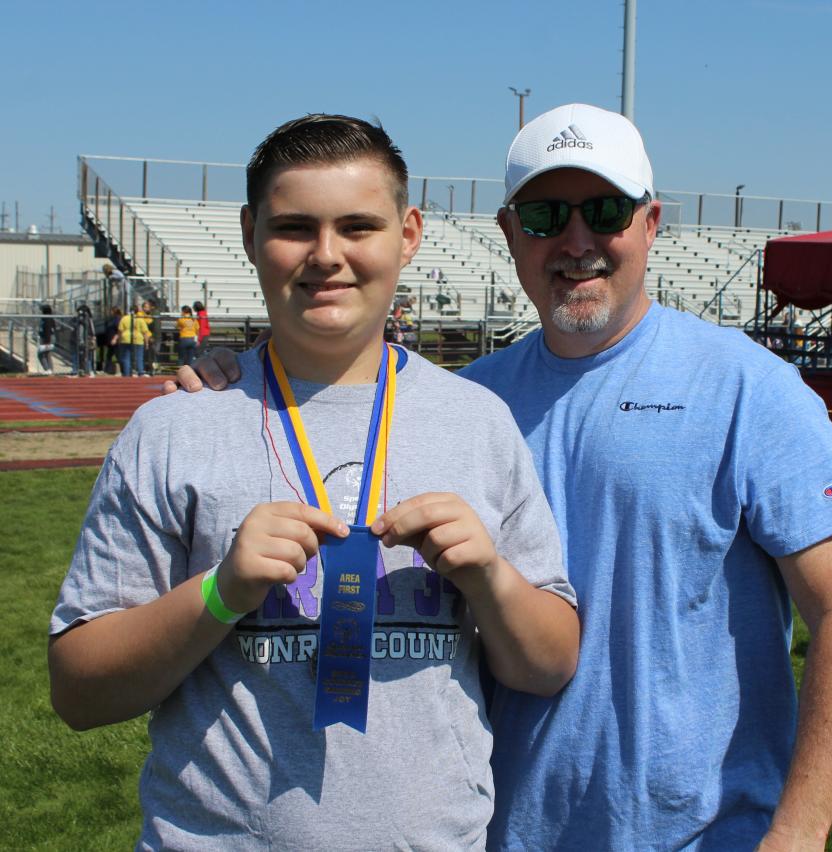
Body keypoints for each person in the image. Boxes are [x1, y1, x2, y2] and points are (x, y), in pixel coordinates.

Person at [171, 103, 832, 850]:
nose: (577, 242)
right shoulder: (465, 403)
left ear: (651, 222)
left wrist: (801, 830)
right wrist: (228, 380)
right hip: (502, 828)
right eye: (547, 216)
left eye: (605, 210)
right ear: (511, 234)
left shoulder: (748, 389)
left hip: (704, 834)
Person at [49, 113, 578, 850]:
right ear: (249, 233)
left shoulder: (479, 423)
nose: (326, 255)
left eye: (358, 226)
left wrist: (490, 575)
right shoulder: (175, 429)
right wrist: (220, 591)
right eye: (295, 226)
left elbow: (550, 665)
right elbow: (78, 691)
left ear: (410, 233)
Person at [117, 303, 150, 376]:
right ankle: (140, 371)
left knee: (126, 357)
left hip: (125, 338)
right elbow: (145, 332)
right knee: (139, 356)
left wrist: (119, 339)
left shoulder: (125, 318)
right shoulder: (140, 319)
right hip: (138, 338)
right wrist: (146, 343)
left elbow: (120, 330)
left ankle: (126, 373)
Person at [70, 303, 96, 376]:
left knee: (85, 355)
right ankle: (85, 370)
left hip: (85, 339)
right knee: (85, 355)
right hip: (85, 339)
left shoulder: (85, 319)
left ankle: (85, 369)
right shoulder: (86, 319)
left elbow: (87, 329)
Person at [37, 303, 55, 374]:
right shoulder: (45, 318)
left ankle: (48, 369)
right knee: (47, 354)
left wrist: (47, 341)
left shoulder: (47, 318)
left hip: (47, 338)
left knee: (41, 354)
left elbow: (48, 330)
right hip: (46, 337)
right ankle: (49, 369)